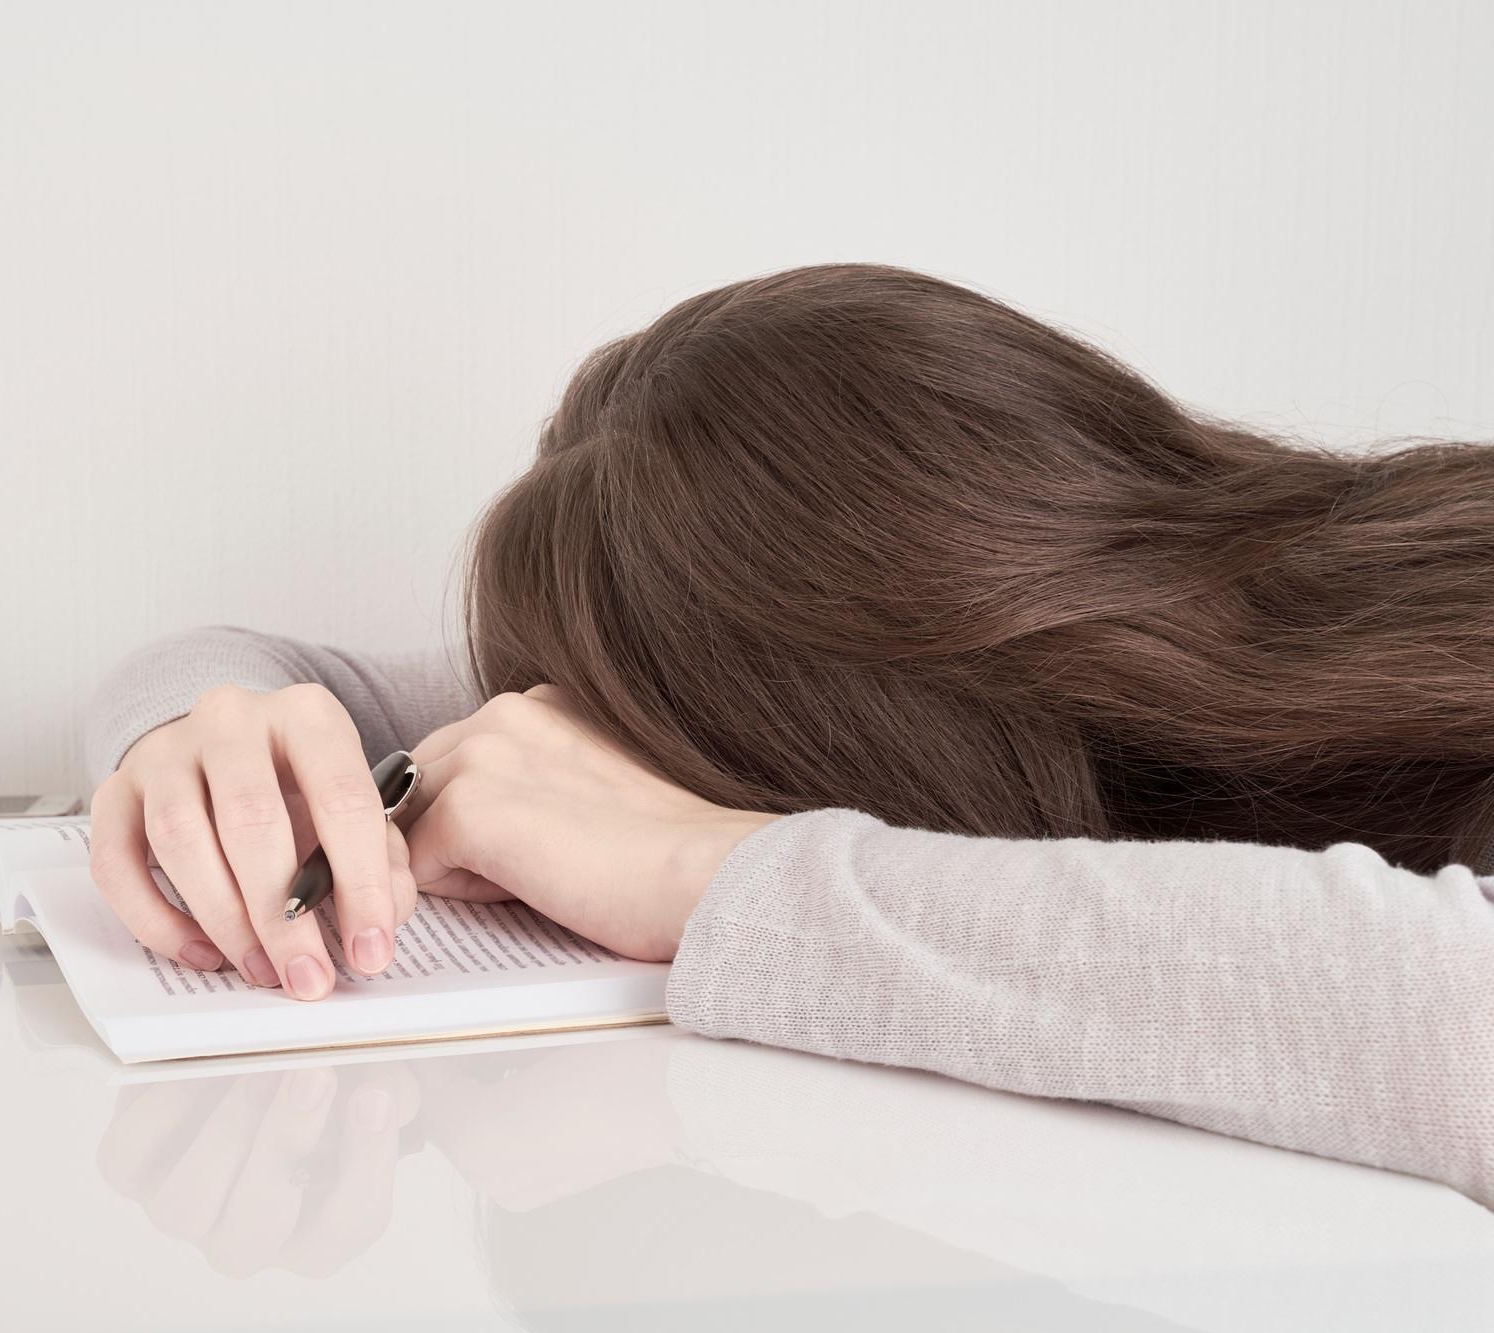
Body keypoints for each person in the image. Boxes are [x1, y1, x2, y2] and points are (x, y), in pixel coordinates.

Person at [82, 263, 1494, 1209]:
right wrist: (209, 743)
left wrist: (719, 875)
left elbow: (1455, 1007)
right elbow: (287, 678)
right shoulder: (1152, 673)